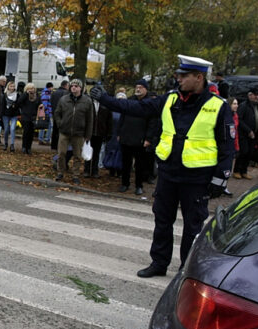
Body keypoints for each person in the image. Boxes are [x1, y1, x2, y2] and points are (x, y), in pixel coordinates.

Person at [90, 55, 235, 278]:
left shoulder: (218, 106)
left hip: (197, 177)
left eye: (184, 76)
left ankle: (187, 268)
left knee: (193, 226)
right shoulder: (170, 99)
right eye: (178, 75)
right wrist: (106, 99)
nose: (179, 80)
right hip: (169, 173)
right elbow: (135, 107)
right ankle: (159, 262)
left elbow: (227, 146)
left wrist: (220, 178)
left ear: (199, 77)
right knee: (162, 220)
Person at [117, 79, 159, 195]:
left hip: (140, 139)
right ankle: (125, 184)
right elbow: (122, 118)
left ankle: (139, 185)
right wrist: (119, 133)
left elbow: (152, 123)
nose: (138, 89)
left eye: (141, 87)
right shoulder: (130, 101)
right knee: (126, 163)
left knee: (140, 165)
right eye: (137, 87)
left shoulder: (150, 104)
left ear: (146, 89)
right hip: (126, 136)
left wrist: (148, 139)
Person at [54, 78, 93, 182]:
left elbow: (90, 119)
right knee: (61, 153)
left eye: (76, 86)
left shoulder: (87, 101)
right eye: (72, 86)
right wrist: (60, 123)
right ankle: (60, 172)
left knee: (77, 155)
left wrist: (88, 135)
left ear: (80, 88)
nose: (74, 88)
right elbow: (57, 113)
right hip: (64, 131)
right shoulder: (64, 99)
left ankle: (75, 175)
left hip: (79, 133)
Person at [234, 87, 258, 179]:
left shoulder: (257, 106)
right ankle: (237, 170)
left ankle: (244, 171)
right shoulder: (244, 106)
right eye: (254, 95)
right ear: (249, 95)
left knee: (249, 153)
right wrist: (248, 130)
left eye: (257, 95)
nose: (256, 97)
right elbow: (239, 119)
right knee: (243, 152)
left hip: (254, 134)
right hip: (244, 134)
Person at [84, 97, 112, 178]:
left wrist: (108, 133)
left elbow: (109, 120)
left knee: (96, 153)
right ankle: (86, 170)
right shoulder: (89, 104)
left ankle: (95, 171)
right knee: (88, 152)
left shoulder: (105, 106)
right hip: (90, 133)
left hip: (100, 133)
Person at [17, 83, 42, 155]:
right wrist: (26, 94)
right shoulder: (24, 95)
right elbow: (19, 102)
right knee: (26, 132)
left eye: (33, 88)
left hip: (33, 117)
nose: (32, 90)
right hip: (25, 116)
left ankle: (29, 148)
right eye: (30, 88)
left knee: (31, 133)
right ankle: (24, 147)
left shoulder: (37, 96)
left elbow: (40, 103)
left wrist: (41, 106)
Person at [50, 81, 69, 167]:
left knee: (55, 132)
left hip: (55, 115)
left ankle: (54, 147)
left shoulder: (54, 93)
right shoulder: (66, 94)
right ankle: (58, 159)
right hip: (64, 118)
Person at [0, 81, 20, 152]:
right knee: (6, 130)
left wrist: (16, 108)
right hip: (6, 114)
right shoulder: (4, 95)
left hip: (14, 114)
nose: (12, 88)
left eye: (13, 86)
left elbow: (19, 105)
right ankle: (6, 143)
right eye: (11, 86)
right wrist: (0, 116)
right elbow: (2, 106)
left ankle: (12, 145)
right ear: (8, 87)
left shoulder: (17, 95)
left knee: (12, 129)